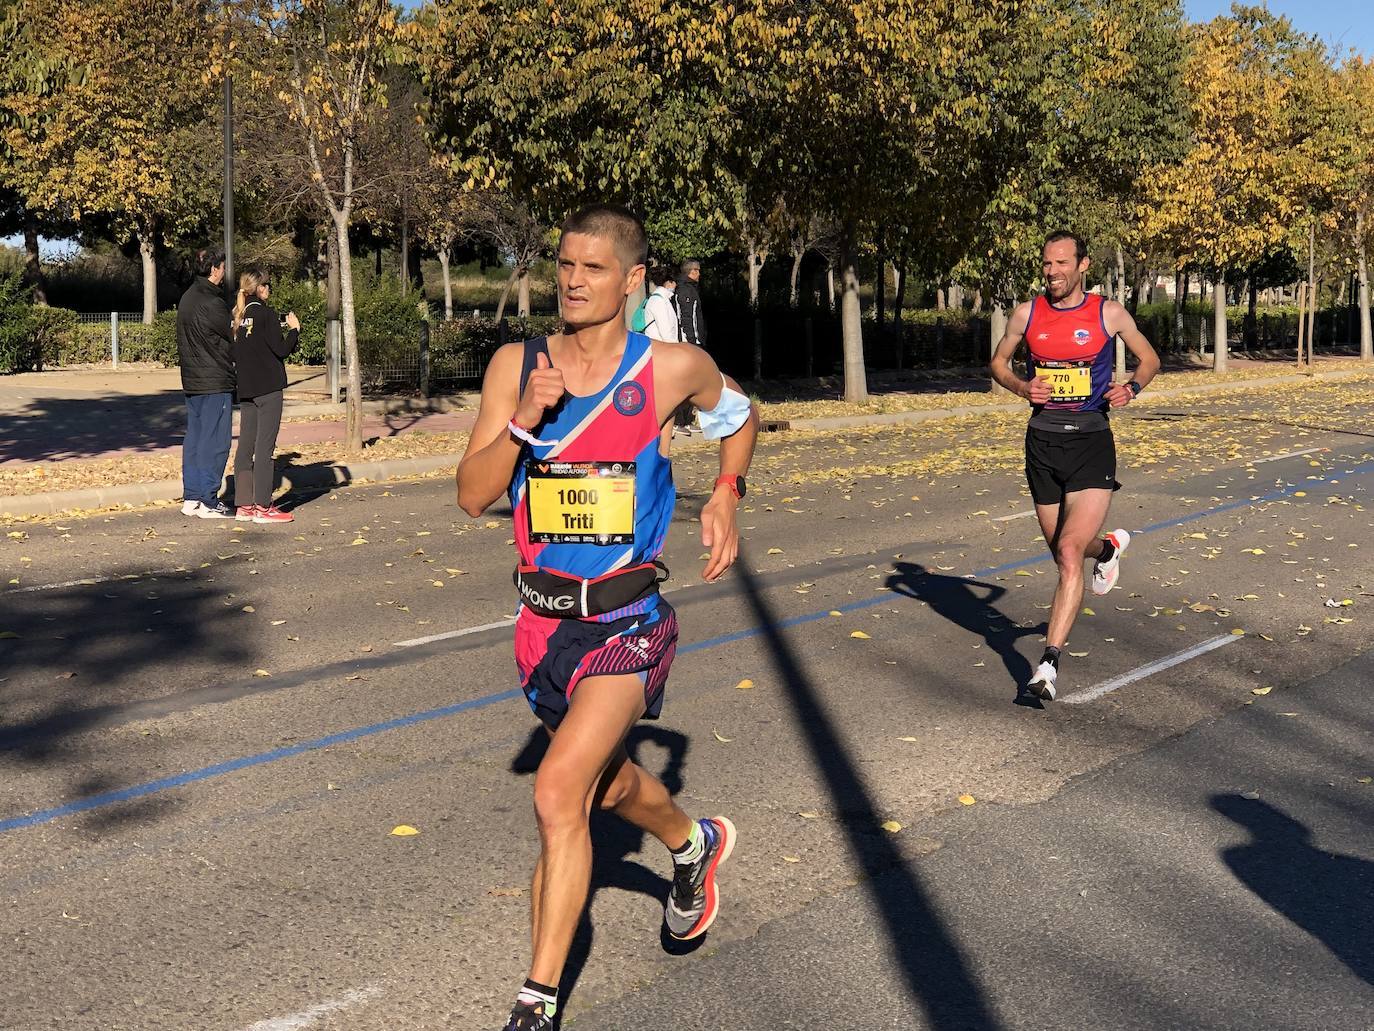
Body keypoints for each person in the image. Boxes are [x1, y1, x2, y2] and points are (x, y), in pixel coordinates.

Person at [455, 203, 759, 1031]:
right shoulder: (516, 366)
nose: (572, 281)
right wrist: (524, 421)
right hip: (541, 628)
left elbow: (742, 416)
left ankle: (536, 1003)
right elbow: (473, 493)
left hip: (627, 620)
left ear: (631, 280)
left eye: (592, 268)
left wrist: (726, 494)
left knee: (557, 793)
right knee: (607, 786)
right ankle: (693, 844)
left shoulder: (671, 368)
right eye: (564, 265)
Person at [990, 231, 1161, 701]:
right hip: (1042, 443)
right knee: (1065, 549)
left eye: (1062, 263)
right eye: (1047, 264)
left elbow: (1149, 358)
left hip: (1090, 441)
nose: (1052, 272)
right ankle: (1106, 549)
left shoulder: (1108, 312)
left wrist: (1131, 388)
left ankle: (1047, 664)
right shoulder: (1027, 313)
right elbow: (999, 363)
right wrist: (1023, 388)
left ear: (1083, 265)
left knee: (1067, 554)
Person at [230, 270, 300, 524]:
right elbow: (280, 348)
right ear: (259, 289)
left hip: (246, 389)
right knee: (264, 448)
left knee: (246, 445)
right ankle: (263, 506)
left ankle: (244, 505)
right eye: (268, 285)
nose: (270, 289)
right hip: (268, 389)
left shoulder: (238, 316)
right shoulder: (266, 314)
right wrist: (294, 330)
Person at [176, 248, 236, 519]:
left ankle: (192, 496)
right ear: (213, 269)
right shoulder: (212, 302)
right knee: (216, 441)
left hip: (193, 380)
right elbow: (232, 333)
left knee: (196, 440)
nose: (224, 272)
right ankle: (209, 499)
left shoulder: (187, 298)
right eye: (222, 267)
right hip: (214, 380)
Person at [641, 266, 681, 342]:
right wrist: (675, 348)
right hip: (661, 348)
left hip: (661, 346)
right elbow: (666, 332)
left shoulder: (662, 299)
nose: (676, 285)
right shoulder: (659, 301)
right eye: (675, 282)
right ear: (669, 283)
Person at [675, 258, 707, 347]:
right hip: (691, 342)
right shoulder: (686, 290)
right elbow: (687, 316)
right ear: (692, 271)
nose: (699, 274)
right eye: (697, 271)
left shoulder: (689, 288)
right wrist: (693, 341)